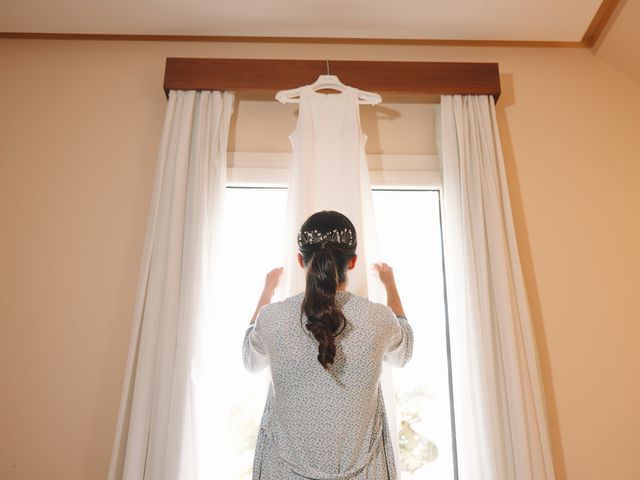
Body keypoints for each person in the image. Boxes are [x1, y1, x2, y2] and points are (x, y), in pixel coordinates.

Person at [242, 210, 413, 479]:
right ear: (353, 262)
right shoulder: (378, 319)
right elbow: (403, 353)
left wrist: (267, 292)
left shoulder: (272, 318)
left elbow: (250, 360)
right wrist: (390, 285)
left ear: (301, 260)